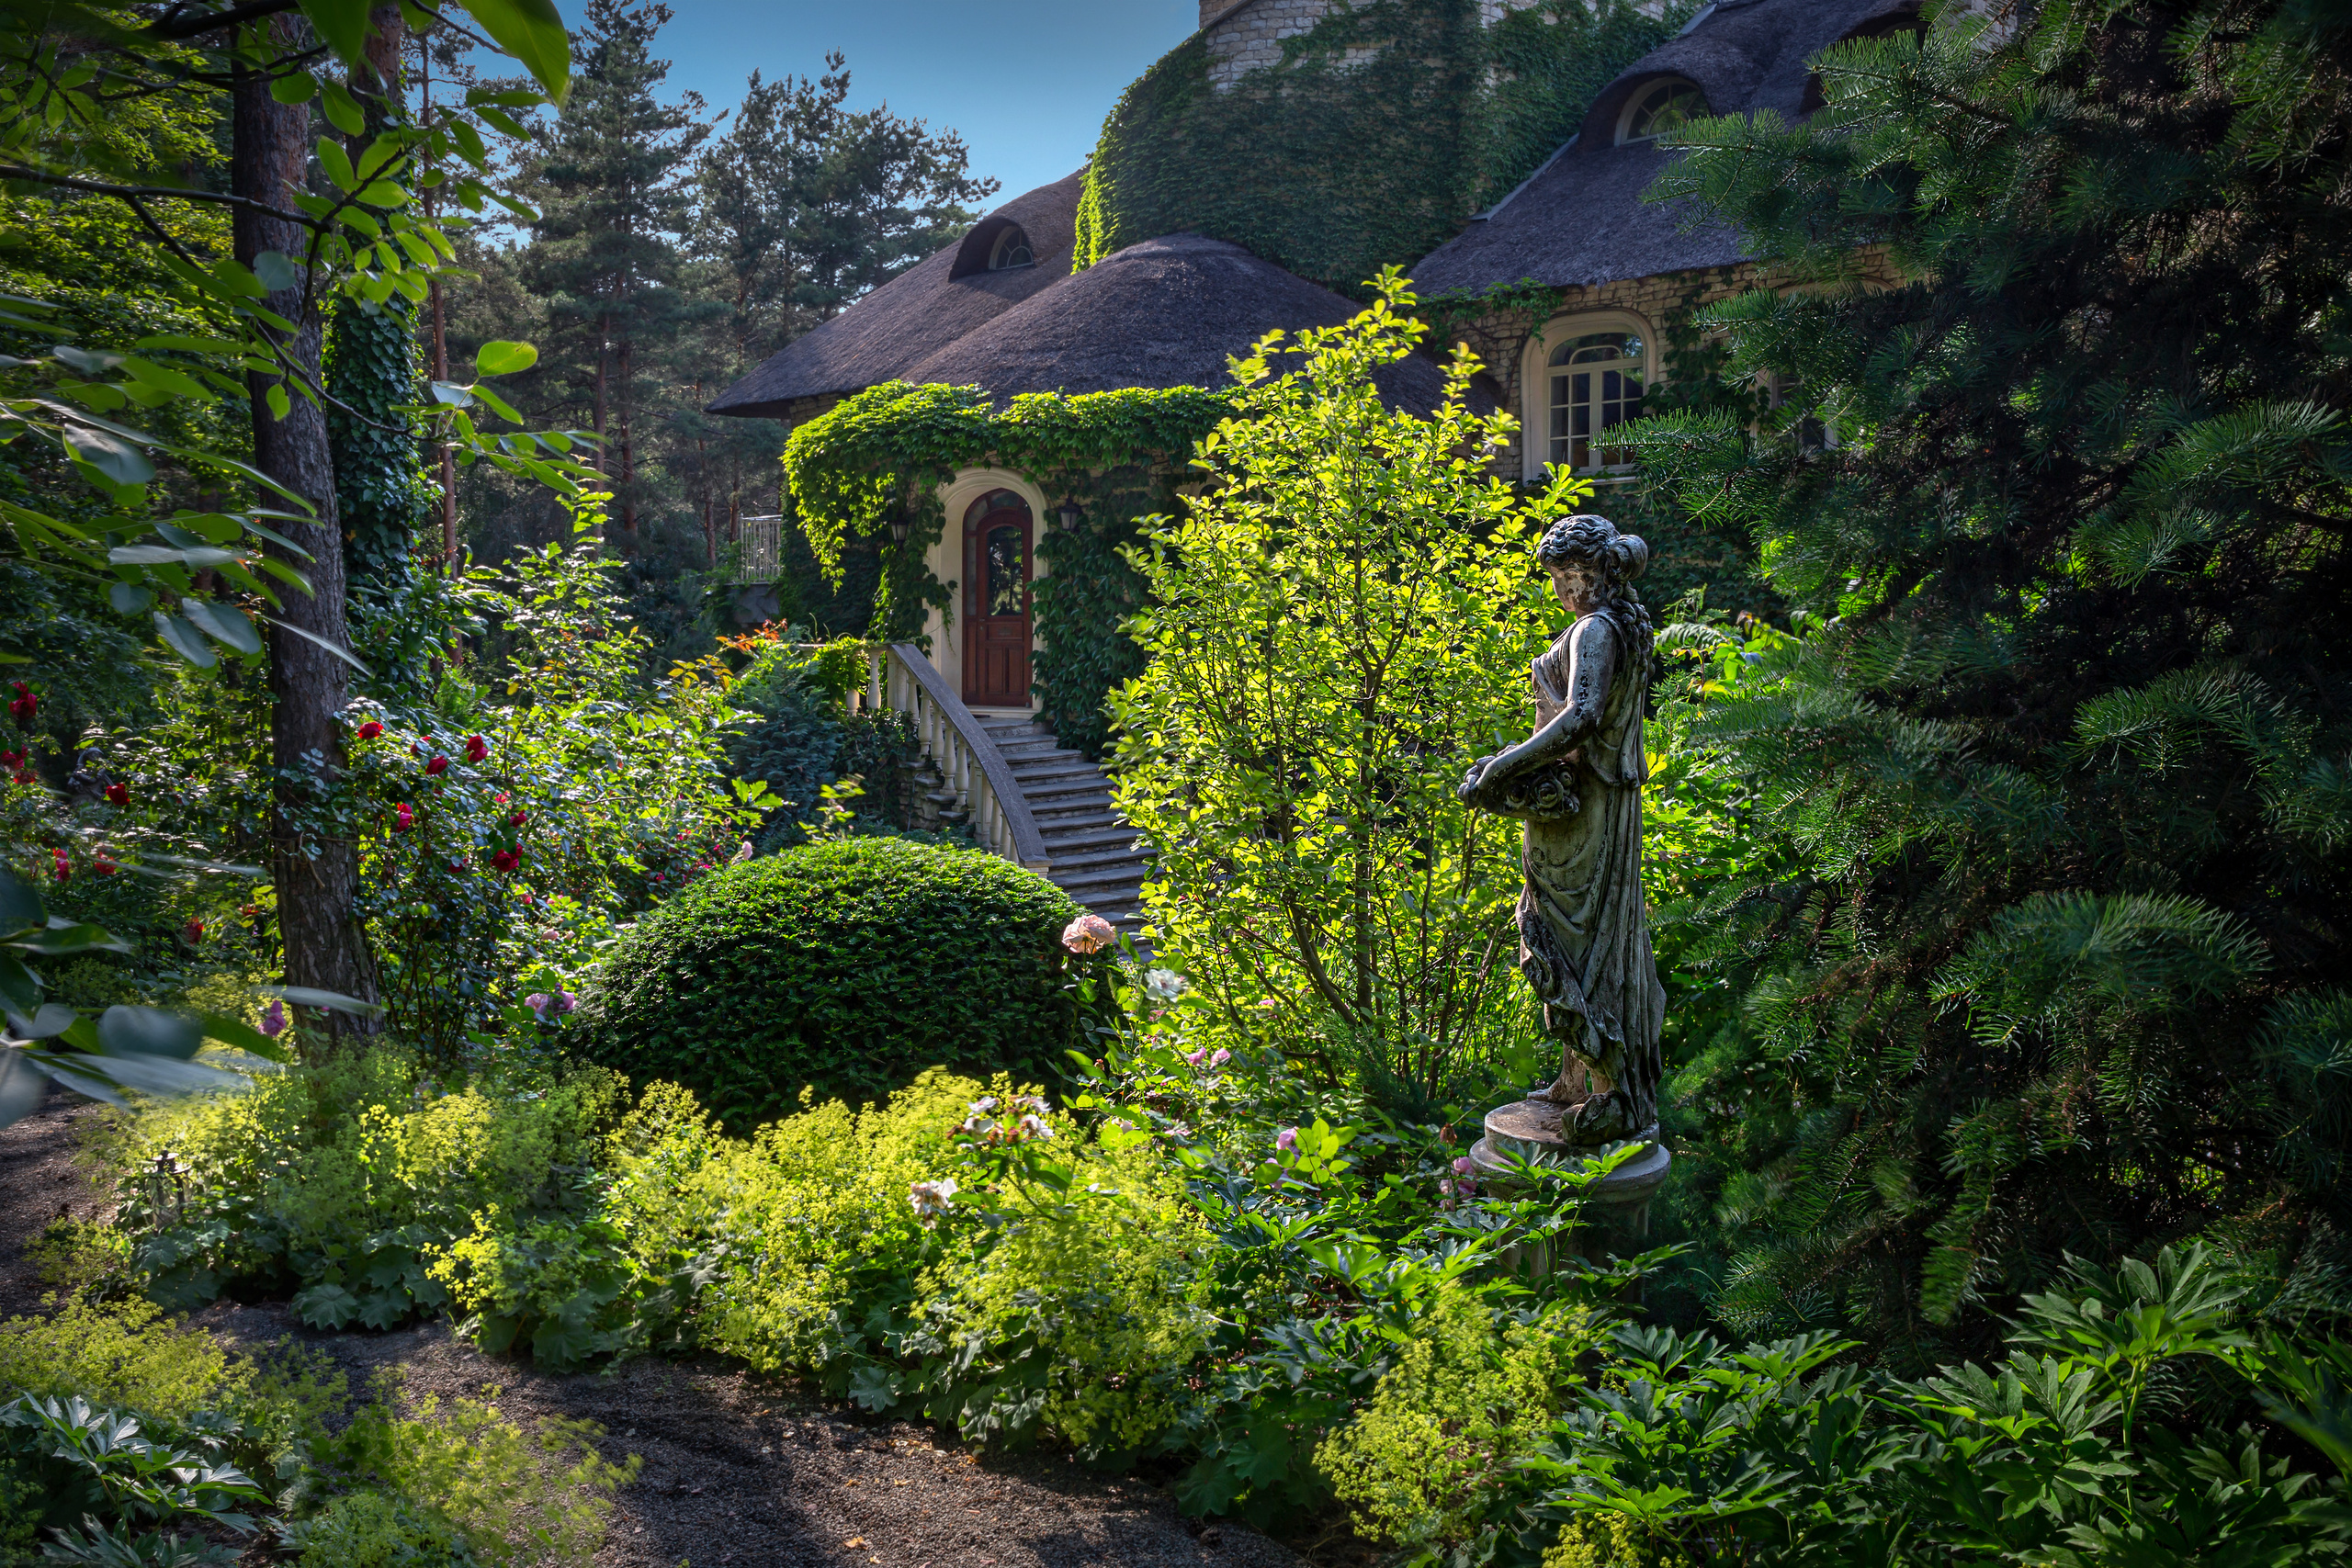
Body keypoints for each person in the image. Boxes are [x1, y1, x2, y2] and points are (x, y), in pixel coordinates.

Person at [1459, 514, 1665, 1144]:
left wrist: (1502, 766)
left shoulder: (1597, 629)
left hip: (1582, 809)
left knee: (1572, 941)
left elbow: (1580, 716)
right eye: (1561, 579)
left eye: (1581, 575)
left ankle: (1609, 1093)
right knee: (1586, 937)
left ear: (1605, 570)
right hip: (1591, 802)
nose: (1572, 591)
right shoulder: (1622, 619)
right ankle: (1579, 1077)